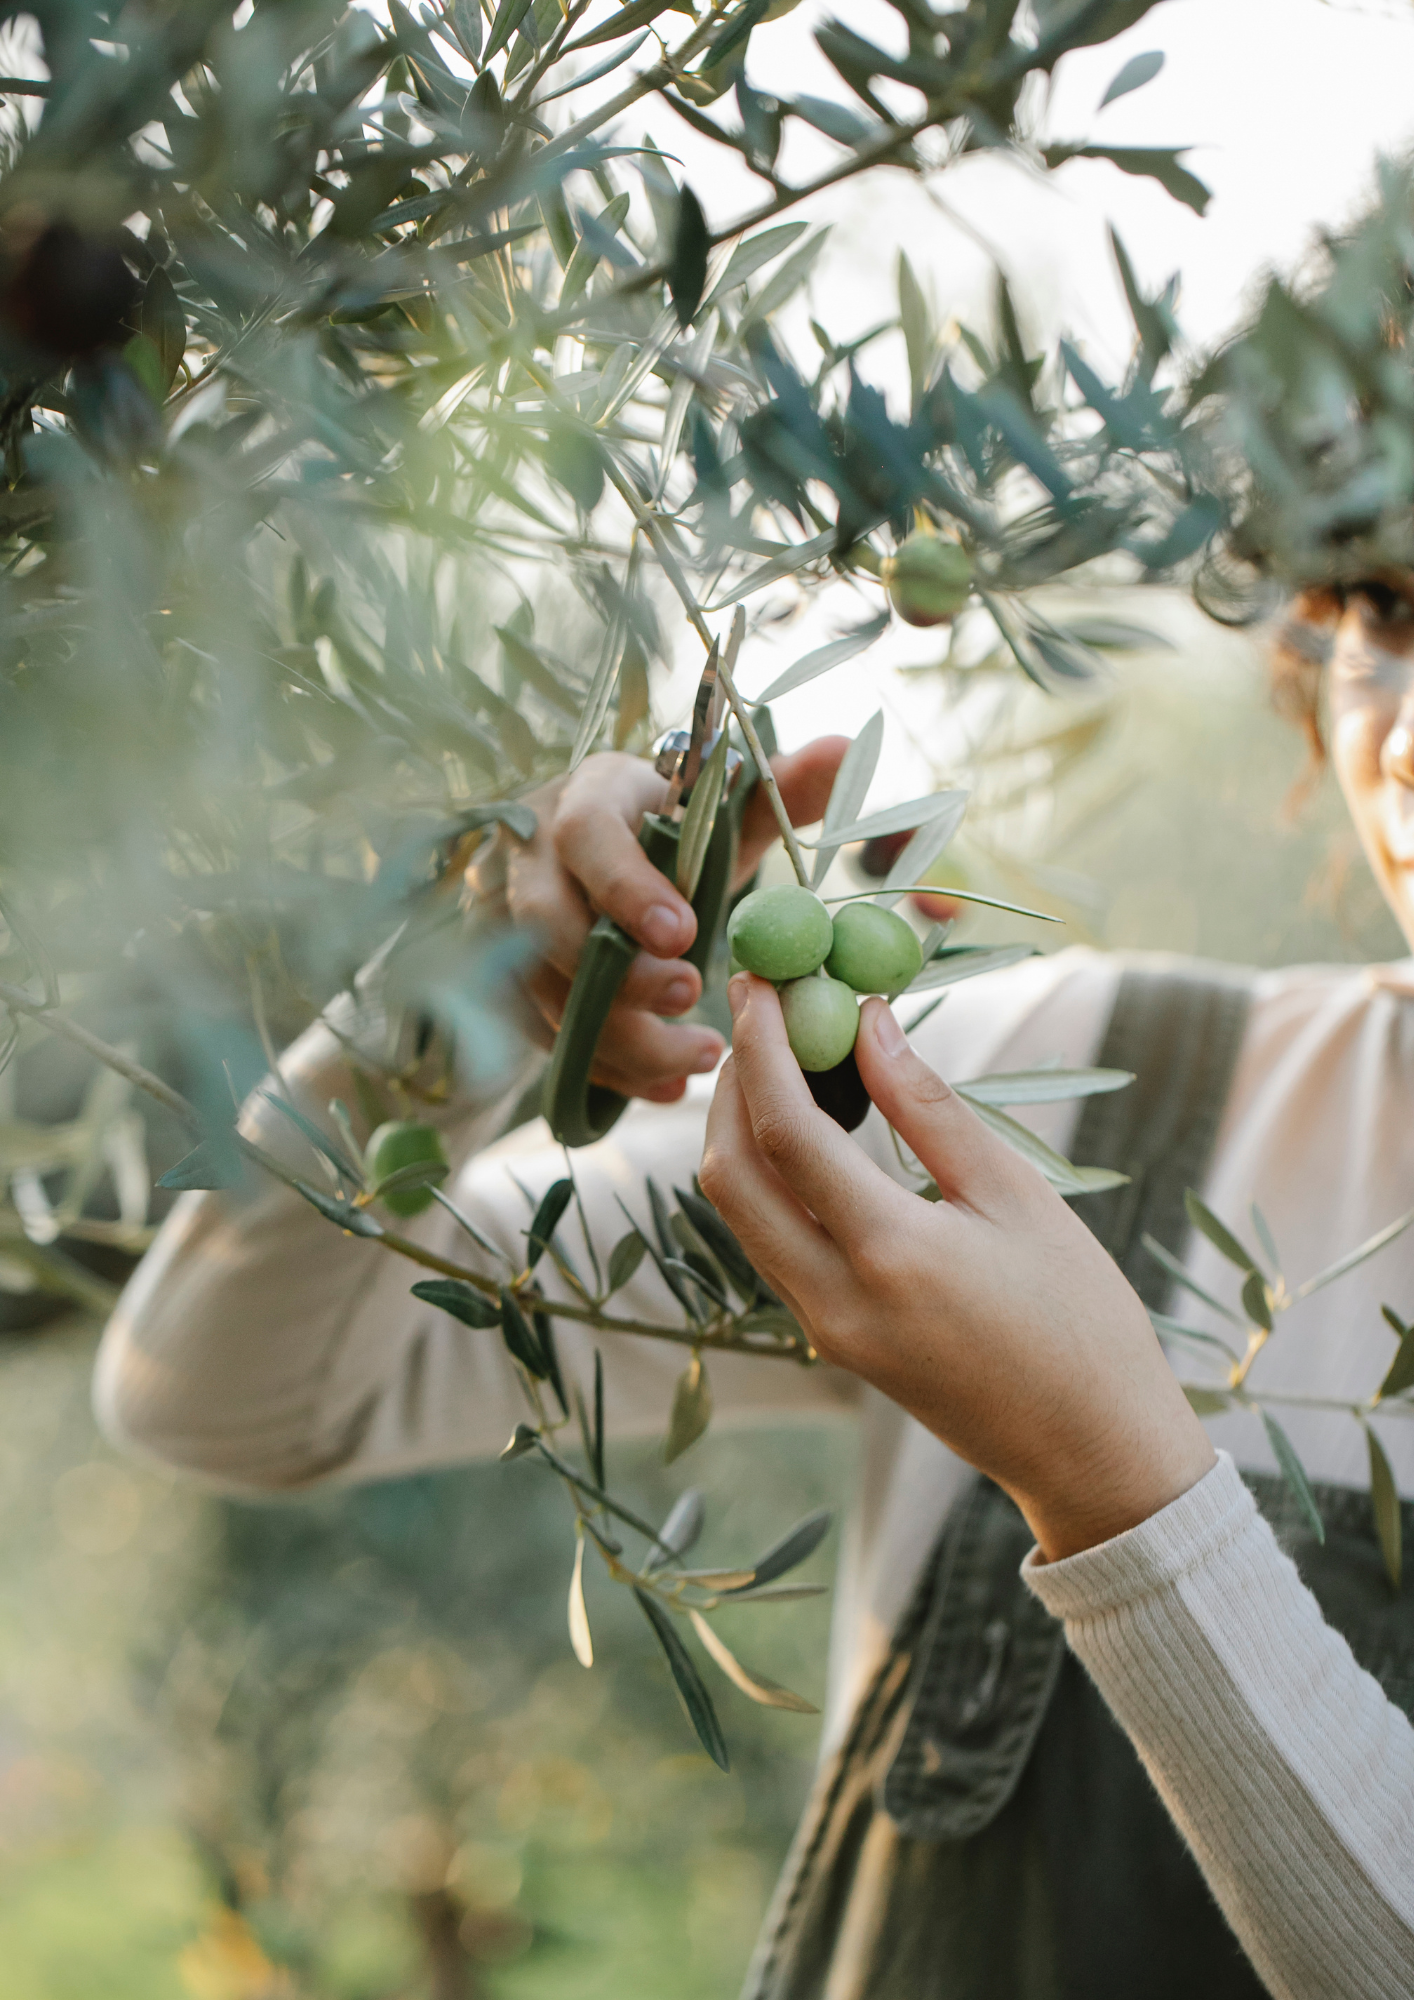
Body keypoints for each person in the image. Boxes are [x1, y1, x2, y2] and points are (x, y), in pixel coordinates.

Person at [93, 587, 1414, 1999]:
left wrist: (1110, 1482)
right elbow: (226, 1398)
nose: (1399, 735)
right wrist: (470, 995)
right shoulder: (1072, 1096)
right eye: (1386, 607)